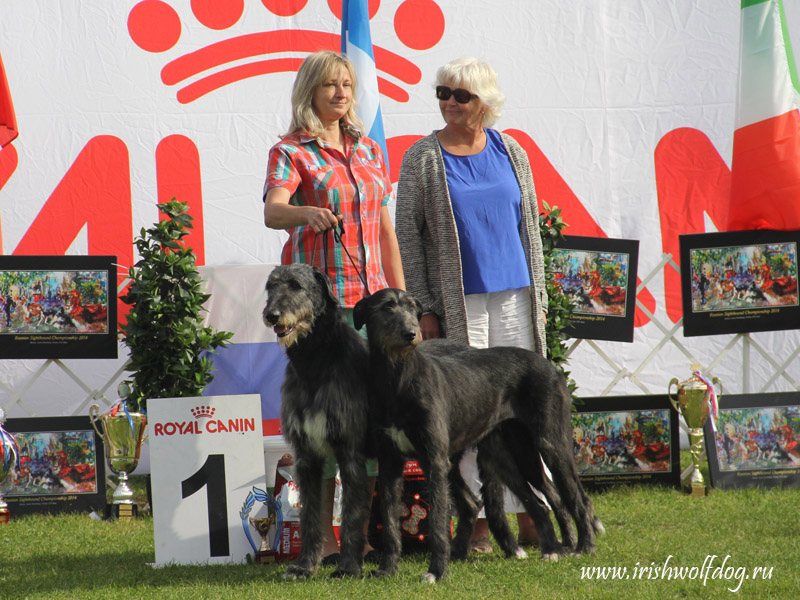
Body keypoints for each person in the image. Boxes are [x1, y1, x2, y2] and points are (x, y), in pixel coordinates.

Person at [395, 57, 548, 553]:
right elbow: (408, 239)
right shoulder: (422, 156)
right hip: (459, 304)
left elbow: (531, 228)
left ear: (484, 101)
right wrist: (424, 308)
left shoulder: (513, 150)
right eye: (442, 93)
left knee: (526, 409)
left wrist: (539, 298)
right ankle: (478, 523)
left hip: (517, 300)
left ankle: (535, 516)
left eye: (460, 95)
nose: (448, 103)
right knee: (464, 413)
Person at [263, 50, 405, 563]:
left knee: (368, 427)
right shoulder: (291, 151)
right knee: (320, 430)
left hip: (371, 311)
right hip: (321, 317)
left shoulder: (368, 148)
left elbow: (385, 229)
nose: (341, 93)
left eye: (346, 84)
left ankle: (364, 540)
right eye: (330, 85)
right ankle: (319, 542)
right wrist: (307, 212)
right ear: (310, 92)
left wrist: (401, 299)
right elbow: (272, 212)